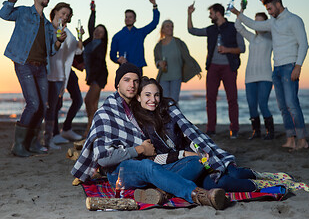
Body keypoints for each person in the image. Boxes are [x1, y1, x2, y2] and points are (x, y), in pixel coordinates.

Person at [71, 63, 228, 210]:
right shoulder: (105, 113)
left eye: (136, 81)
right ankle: (198, 195)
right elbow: (104, 158)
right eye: (126, 80)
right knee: (146, 166)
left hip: (148, 166)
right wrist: (139, 149)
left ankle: (160, 193)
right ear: (118, 84)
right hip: (120, 172)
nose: (132, 85)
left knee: (196, 161)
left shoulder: (136, 110)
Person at [130, 76, 309, 200]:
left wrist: (201, 152)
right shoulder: (138, 125)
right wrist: (183, 155)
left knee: (234, 172)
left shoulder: (168, 110)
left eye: (156, 95)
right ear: (138, 97)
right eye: (147, 95)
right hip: (178, 167)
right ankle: (267, 186)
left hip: (196, 156)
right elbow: (152, 159)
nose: (152, 99)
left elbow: (190, 133)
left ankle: (267, 176)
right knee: (221, 182)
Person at [232, 0, 309, 150]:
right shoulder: (272, 23)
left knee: (292, 105)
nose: (269, 12)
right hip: (277, 69)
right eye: (266, 9)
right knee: (282, 107)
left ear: (278, 5)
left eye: (269, 9)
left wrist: (298, 66)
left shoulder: (294, 20)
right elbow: (253, 25)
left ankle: (302, 140)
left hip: (290, 66)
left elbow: (304, 44)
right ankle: (290, 138)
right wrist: (238, 12)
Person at [0, 0, 66, 157]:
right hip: (24, 63)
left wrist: (60, 40)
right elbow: (3, 13)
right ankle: (19, 145)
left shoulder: (47, 24)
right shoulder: (23, 11)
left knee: (43, 107)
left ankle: (34, 142)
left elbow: (52, 50)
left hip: (41, 67)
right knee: (33, 103)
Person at [187, 2, 245, 139]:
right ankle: (211, 129)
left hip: (229, 67)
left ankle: (234, 130)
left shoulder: (233, 27)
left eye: (211, 13)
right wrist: (189, 14)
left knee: (232, 99)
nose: (209, 16)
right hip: (212, 67)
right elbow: (192, 31)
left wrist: (227, 50)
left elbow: (242, 48)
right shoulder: (211, 29)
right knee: (210, 99)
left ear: (218, 13)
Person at [43, 2, 84, 150]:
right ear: (55, 12)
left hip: (63, 71)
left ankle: (58, 133)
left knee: (60, 103)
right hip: (49, 70)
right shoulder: (47, 28)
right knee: (50, 105)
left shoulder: (67, 31)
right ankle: (51, 136)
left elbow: (78, 51)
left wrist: (80, 36)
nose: (65, 16)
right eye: (62, 13)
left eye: (67, 15)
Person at [231, 3, 274, 140]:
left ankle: (270, 132)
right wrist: (241, 11)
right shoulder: (252, 37)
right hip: (250, 77)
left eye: (260, 22)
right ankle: (256, 132)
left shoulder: (271, 37)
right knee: (251, 106)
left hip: (265, 77)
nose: (257, 25)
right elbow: (238, 26)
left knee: (262, 104)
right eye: (255, 22)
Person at [110, 0, 160, 75]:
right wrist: (118, 59)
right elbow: (112, 55)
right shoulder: (117, 36)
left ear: (135, 20)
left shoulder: (140, 33)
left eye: (130, 17)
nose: (127, 19)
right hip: (123, 68)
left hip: (138, 67)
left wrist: (154, 5)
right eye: (126, 17)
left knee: (138, 87)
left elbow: (154, 23)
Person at [154, 19, 202, 102]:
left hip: (176, 76)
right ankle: (165, 116)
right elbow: (156, 61)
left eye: (172, 26)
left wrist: (195, 69)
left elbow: (187, 57)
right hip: (163, 77)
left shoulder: (179, 42)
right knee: (164, 101)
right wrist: (159, 63)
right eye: (167, 26)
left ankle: (175, 115)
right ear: (163, 29)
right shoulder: (158, 46)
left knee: (174, 101)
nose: (170, 28)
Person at [82, 0, 108, 137]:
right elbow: (90, 25)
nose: (98, 32)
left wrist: (92, 78)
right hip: (93, 75)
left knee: (88, 100)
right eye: (97, 30)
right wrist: (93, 11)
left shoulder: (100, 45)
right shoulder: (90, 42)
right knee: (93, 104)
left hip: (99, 76)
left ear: (104, 36)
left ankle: (89, 128)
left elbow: (98, 64)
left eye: (101, 32)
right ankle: (94, 128)